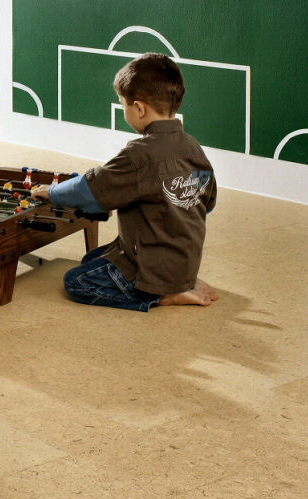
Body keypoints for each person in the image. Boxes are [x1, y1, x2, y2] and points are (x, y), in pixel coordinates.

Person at [32, 53, 219, 311]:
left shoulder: (139, 154)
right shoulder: (192, 147)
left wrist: (51, 192)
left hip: (150, 267)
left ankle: (162, 296)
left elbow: (89, 188)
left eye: (123, 104)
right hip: (183, 261)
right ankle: (179, 282)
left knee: (76, 281)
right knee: (91, 259)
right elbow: (207, 204)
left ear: (139, 108)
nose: (124, 110)